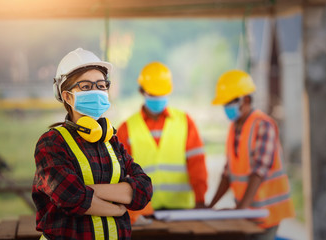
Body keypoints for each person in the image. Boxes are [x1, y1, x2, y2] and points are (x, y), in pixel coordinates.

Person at [32, 48, 153, 240]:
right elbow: (71, 197)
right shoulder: (51, 143)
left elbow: (143, 189)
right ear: (68, 97)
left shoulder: (111, 141)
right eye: (86, 87)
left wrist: (88, 190)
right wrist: (118, 210)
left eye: (101, 85)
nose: (97, 91)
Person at [208, 69, 295, 240]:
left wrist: (240, 210)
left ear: (246, 99)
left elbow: (259, 172)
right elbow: (228, 174)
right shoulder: (234, 128)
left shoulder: (263, 125)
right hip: (247, 212)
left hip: (266, 213)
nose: (226, 108)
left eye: (230, 102)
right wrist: (210, 207)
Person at [117, 62, 208, 224]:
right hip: (142, 213)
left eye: (162, 94)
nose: (158, 98)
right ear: (141, 91)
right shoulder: (126, 128)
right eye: (154, 94)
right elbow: (120, 174)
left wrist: (200, 200)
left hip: (181, 212)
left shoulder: (185, 122)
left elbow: (197, 164)